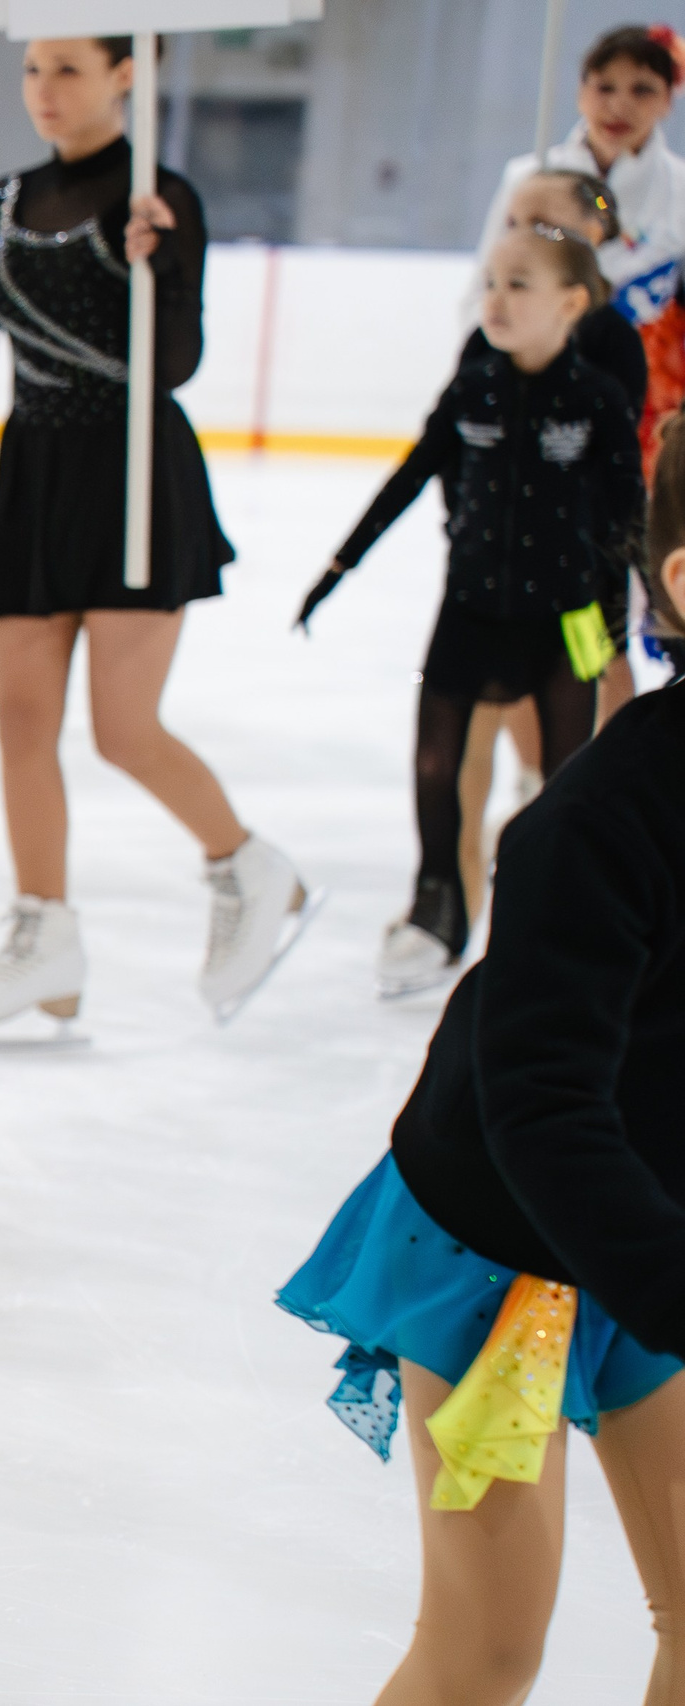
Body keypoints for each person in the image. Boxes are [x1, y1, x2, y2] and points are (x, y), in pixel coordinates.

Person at [275, 416, 685, 1706]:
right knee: (489, 1645)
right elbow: (541, 1105)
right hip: (504, 1247)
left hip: (655, 1224)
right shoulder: (598, 821)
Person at [0, 35, 310, 1038]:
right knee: (20, 722)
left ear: (130, 72)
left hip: (133, 475)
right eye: (35, 69)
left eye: (69, 68)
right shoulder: (1, 200)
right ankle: (47, 939)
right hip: (34, 475)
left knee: (124, 728)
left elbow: (175, 362)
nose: (45, 90)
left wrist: (147, 266)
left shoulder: (161, 196)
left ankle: (247, 863)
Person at [300, 227, 639, 1000]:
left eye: (520, 285)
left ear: (571, 303)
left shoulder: (596, 399)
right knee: (434, 766)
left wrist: (618, 633)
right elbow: (408, 479)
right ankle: (437, 907)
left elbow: (629, 520)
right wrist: (337, 568)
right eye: (491, 282)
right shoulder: (473, 388)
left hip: (564, 619)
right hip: (470, 610)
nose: (497, 299)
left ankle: (552, 926)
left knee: (564, 783)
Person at [473, 24, 684, 715]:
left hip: (639, 427)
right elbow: (482, 293)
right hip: (533, 422)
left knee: (603, 614)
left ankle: (603, 758)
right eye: (604, 85)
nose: (619, 104)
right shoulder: (529, 178)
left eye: (642, 89)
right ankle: (539, 771)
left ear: (669, 99)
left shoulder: (678, 193)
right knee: (516, 608)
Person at [451, 170, 644, 923]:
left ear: (591, 242)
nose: (525, 233)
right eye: (515, 219)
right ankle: (457, 889)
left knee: (598, 675)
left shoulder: (610, 342)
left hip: (581, 570)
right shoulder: (488, 338)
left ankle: (583, 809)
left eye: (548, 225)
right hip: (497, 577)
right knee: (480, 712)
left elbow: (613, 473)